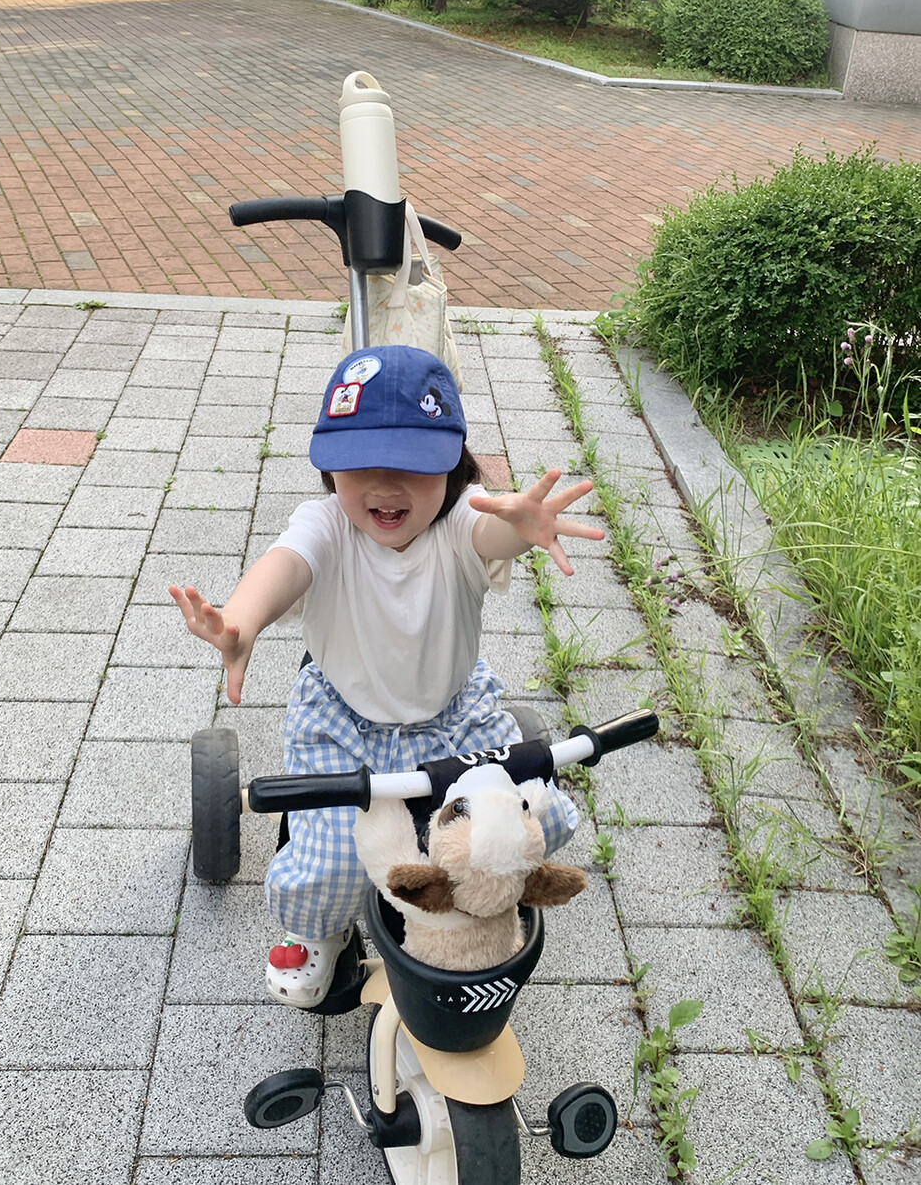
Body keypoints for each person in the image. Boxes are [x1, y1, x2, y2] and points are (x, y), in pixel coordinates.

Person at [171, 344, 605, 1009]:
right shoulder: (325, 526)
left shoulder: (462, 523)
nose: (384, 486)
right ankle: (323, 931)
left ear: (453, 469)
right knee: (334, 863)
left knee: (535, 821)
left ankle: (473, 895)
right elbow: (285, 564)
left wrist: (522, 529)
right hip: (344, 721)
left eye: (412, 466)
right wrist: (241, 621)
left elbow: (493, 534)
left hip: (454, 713)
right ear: (330, 468)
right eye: (359, 466)